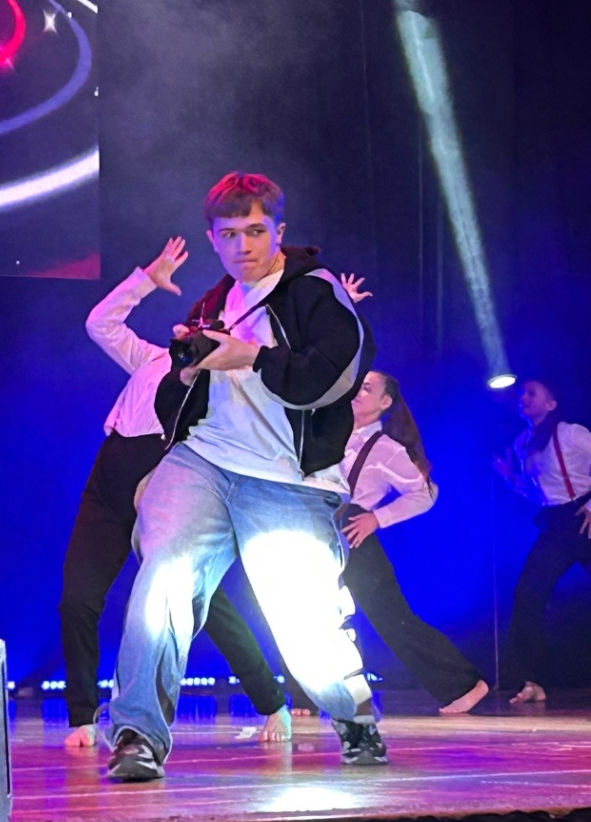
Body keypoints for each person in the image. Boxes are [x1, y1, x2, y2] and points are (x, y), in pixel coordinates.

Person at [106, 171, 380, 782]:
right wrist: (185, 374)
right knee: (162, 580)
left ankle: (353, 715)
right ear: (213, 239)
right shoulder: (211, 305)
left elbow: (334, 378)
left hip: (288, 478)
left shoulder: (314, 291)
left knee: (302, 618)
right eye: (229, 234)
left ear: (279, 232)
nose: (243, 246)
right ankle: (136, 734)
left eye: (255, 231)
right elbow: (178, 404)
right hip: (203, 461)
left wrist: (251, 356)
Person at [60, 238, 298, 750]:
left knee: (201, 604)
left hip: (166, 480)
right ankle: (81, 716)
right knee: (77, 598)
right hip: (109, 477)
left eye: (207, 326)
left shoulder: (225, 381)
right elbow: (100, 324)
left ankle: (270, 701)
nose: (190, 330)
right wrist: (147, 280)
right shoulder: (150, 359)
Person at [338, 371, 489, 715]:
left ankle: (463, 684)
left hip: (353, 530)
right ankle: (305, 696)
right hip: (316, 524)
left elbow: (425, 493)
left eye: (367, 388)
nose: (358, 392)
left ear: (385, 402)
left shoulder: (386, 449)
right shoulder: (332, 432)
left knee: (391, 617)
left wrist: (378, 518)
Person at [491, 379, 591, 705]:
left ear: (551, 404)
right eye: (522, 394)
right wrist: (509, 478)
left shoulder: (570, 433)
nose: (523, 398)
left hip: (587, 516)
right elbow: (537, 494)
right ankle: (533, 680)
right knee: (528, 594)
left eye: (532, 393)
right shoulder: (522, 442)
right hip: (556, 523)